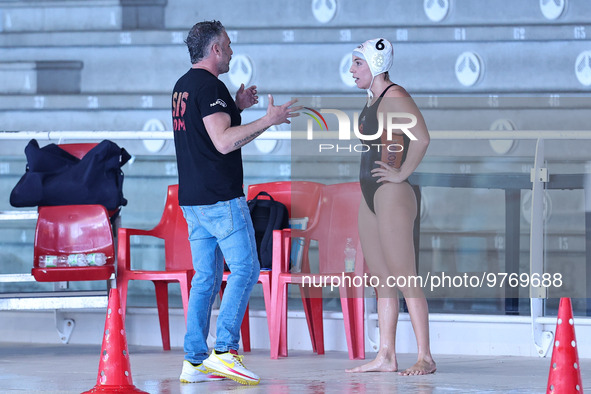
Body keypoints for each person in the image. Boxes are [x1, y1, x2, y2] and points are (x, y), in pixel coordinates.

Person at [172, 20, 299, 385]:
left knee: (206, 279)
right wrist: (269, 120)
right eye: (227, 45)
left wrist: (237, 106)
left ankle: (194, 360)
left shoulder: (184, 86)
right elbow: (223, 141)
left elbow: (207, 128)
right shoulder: (210, 86)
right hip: (219, 199)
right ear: (214, 50)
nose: (231, 50)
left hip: (192, 201)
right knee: (245, 270)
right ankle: (224, 351)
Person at [345, 38, 436, 376]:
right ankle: (386, 355)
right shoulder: (372, 100)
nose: (352, 70)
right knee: (382, 279)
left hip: (391, 193)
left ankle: (425, 356)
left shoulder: (395, 95)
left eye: (358, 63)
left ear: (375, 64)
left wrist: (402, 173)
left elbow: (422, 137)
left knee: (405, 276)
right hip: (371, 194)